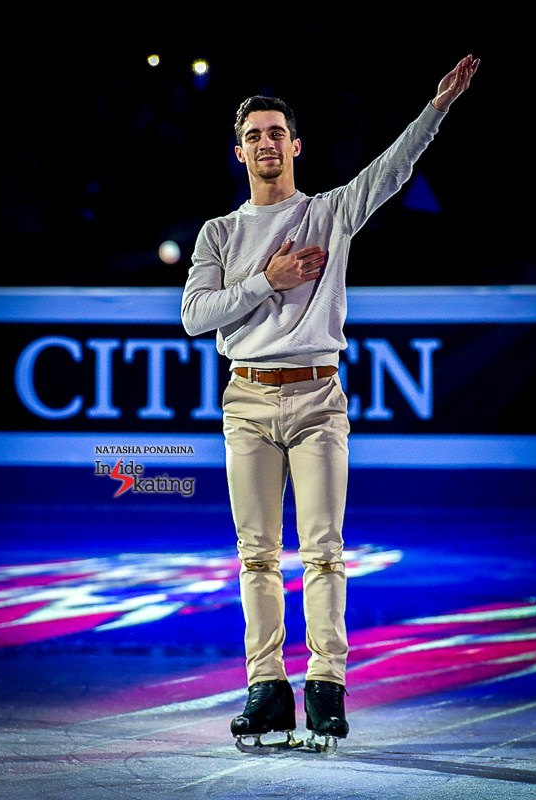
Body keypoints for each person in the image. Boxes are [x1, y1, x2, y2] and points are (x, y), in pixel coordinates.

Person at [181, 54, 480, 752]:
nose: (265, 142)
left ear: (295, 144)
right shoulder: (219, 235)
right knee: (256, 554)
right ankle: (265, 690)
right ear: (239, 150)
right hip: (247, 403)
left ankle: (326, 688)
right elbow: (196, 315)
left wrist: (436, 108)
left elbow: (393, 169)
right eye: (253, 133)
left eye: (276, 131)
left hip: (318, 399)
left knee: (323, 550)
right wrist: (267, 279)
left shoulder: (329, 212)